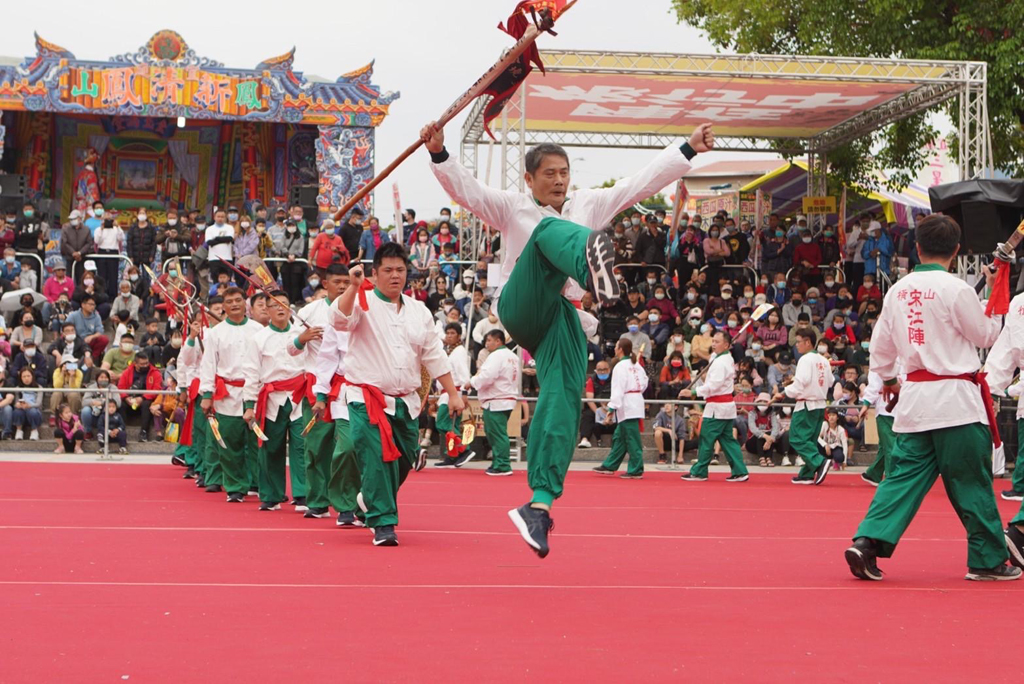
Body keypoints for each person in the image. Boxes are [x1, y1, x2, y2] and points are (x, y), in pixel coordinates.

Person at [424, 118, 713, 558]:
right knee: (543, 234)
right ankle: (589, 261)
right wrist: (440, 154)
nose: (559, 181)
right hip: (523, 305)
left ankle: (538, 504)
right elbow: (470, 192)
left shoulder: (588, 202)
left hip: (565, 319)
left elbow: (638, 184)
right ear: (529, 179)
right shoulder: (511, 206)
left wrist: (687, 149)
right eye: (549, 174)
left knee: (561, 399)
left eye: (563, 173)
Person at [846, 214, 1019, 582]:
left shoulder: (897, 290)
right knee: (971, 483)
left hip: (914, 402)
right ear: (956, 251)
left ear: (917, 248)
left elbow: (881, 350)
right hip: (956, 401)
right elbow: (986, 335)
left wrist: (891, 382)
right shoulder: (955, 289)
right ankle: (987, 561)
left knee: (900, 480)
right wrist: (992, 294)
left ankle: (867, 543)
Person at [328, 244, 462, 546]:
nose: (394, 276)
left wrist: (452, 392)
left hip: (406, 402)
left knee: (404, 460)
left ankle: (368, 499)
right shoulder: (361, 302)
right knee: (376, 458)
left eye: (400, 270)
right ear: (374, 274)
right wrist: (352, 285)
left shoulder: (419, 311)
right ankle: (383, 523)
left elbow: (433, 354)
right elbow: (338, 320)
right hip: (366, 399)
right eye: (387, 270)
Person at [297, 264, 354, 522]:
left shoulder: (360, 308)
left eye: (347, 281)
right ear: (325, 284)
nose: (342, 286)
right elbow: (288, 348)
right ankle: (317, 501)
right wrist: (303, 337)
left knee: (347, 448)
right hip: (316, 384)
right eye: (337, 281)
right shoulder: (309, 311)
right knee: (316, 446)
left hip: (349, 384)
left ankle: (348, 502)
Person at [252, 291, 317, 511]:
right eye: (275, 305)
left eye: (285, 304)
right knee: (271, 446)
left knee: (302, 444)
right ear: (267, 310)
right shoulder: (259, 338)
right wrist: (248, 406)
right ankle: (271, 494)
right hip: (272, 397)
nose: (280, 308)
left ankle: (302, 493)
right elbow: (251, 372)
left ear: (291, 308)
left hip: (300, 394)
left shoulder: (302, 333)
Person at [199, 287, 262, 501]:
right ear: (223, 307)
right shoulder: (216, 333)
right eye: (230, 301)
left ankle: (258, 482)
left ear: (245, 303)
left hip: (255, 390)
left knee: (257, 441)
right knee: (230, 441)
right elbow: (208, 365)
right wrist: (207, 394)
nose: (234, 304)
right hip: (227, 392)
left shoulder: (258, 330)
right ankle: (235, 486)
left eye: (238, 300)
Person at [680, 330, 750, 483]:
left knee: (706, 438)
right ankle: (739, 470)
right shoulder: (722, 358)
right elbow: (713, 361)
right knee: (728, 441)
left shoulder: (721, 362)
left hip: (717, 407)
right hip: (723, 407)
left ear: (726, 345)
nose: (713, 344)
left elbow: (714, 386)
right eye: (713, 341)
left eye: (717, 342)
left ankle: (699, 471)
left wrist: (693, 391)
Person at [773, 329, 832, 485]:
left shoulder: (805, 360)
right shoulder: (824, 360)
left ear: (808, 342)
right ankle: (807, 473)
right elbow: (830, 381)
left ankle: (819, 462)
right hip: (819, 404)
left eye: (799, 341)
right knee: (810, 440)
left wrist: (783, 392)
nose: (796, 345)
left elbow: (800, 383)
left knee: (797, 438)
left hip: (806, 404)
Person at [593, 339, 649, 478]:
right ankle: (610, 464)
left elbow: (618, 389)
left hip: (627, 403)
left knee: (632, 439)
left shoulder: (620, 366)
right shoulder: (636, 365)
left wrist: (611, 409)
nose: (615, 348)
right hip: (634, 400)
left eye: (616, 346)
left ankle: (636, 469)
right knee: (620, 437)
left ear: (620, 349)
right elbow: (644, 383)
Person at [469, 329, 521, 476]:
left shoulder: (496, 356)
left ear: (498, 341)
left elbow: (486, 376)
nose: (486, 344)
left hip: (496, 398)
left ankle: (502, 464)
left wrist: (472, 381)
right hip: (506, 397)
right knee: (497, 432)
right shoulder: (512, 356)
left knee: (497, 433)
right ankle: (499, 461)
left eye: (489, 340)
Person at [433, 323, 474, 468]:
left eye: (452, 333)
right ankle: (452, 455)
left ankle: (464, 449)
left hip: (453, 393)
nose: (449, 335)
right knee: (451, 425)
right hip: (447, 393)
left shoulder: (459, 352)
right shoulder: (450, 351)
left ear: (458, 335)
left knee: (443, 423)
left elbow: (464, 374)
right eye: (447, 333)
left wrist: (463, 393)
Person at [117, 350, 163, 441]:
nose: (145, 365)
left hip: (145, 400)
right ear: (135, 363)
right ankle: (121, 431)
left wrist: (142, 398)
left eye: (146, 363)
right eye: (142, 364)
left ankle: (144, 432)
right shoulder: (127, 372)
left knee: (147, 404)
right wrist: (126, 398)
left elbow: (156, 390)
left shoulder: (155, 373)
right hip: (129, 399)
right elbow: (120, 388)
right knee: (121, 404)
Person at [579, 360, 613, 448]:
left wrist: (609, 411)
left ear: (609, 370)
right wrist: (599, 413)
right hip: (596, 407)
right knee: (587, 415)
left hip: (612, 407)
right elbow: (590, 399)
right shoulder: (591, 380)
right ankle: (585, 439)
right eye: (599, 370)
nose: (602, 372)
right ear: (596, 371)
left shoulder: (615, 379)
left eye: (604, 369)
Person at [746, 393, 786, 467]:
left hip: (768, 443)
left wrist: (770, 438)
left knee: (770, 434)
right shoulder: (752, 413)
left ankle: (768, 458)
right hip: (752, 443)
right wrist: (765, 436)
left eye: (765, 402)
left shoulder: (772, 414)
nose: (762, 403)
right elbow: (753, 428)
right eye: (760, 401)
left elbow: (775, 427)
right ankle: (761, 457)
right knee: (761, 436)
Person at [67, 295, 109, 361]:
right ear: (83, 305)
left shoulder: (96, 316)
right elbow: (66, 328)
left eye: (94, 305)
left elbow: (100, 331)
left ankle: (93, 358)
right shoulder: (73, 315)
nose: (92, 307)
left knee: (104, 339)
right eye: (90, 304)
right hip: (76, 340)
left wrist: (92, 337)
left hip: (90, 340)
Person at [9, 367, 43, 440]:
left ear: (32, 377)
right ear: (21, 378)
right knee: (17, 412)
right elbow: (16, 402)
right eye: (24, 376)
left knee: (32, 411)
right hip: (22, 410)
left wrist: (29, 405)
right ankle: (19, 430)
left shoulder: (39, 387)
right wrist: (18, 405)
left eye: (28, 376)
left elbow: (38, 403)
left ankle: (34, 431)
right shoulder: (18, 388)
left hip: (34, 411)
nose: (26, 378)